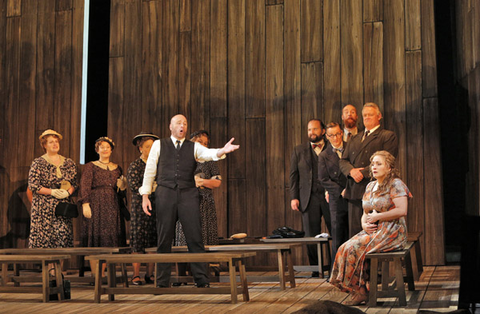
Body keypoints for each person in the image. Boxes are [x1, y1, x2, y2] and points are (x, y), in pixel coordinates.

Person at [140, 114, 239, 288]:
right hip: (165, 193)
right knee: (164, 238)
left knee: (195, 237)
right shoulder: (159, 145)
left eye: (185, 123)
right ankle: (162, 282)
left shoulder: (193, 147)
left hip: (188, 194)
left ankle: (201, 280)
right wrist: (145, 195)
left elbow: (208, 154)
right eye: (178, 123)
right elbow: (150, 170)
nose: (182, 126)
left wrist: (222, 150)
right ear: (170, 126)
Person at [330, 150, 412, 305]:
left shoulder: (396, 184)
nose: (374, 167)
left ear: (389, 168)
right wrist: (364, 223)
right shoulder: (370, 186)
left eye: (379, 164)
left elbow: (402, 210)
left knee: (353, 248)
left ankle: (361, 291)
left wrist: (378, 217)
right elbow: (365, 211)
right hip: (373, 229)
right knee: (343, 248)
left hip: (392, 231)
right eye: (373, 164)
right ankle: (360, 289)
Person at [339, 103, 398, 237]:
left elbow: (387, 159)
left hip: (375, 192)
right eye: (365, 115)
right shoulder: (355, 138)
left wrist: (362, 172)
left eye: (370, 114)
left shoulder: (387, 136)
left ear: (379, 116)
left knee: (374, 233)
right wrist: (351, 172)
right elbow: (343, 160)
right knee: (355, 233)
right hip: (354, 191)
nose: (367, 117)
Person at [28, 129, 77, 274]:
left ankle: (60, 270)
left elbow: (75, 182)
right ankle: (50, 271)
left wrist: (68, 192)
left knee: (62, 235)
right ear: (45, 145)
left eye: (56, 141)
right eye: (51, 142)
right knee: (47, 239)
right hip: (44, 207)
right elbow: (34, 185)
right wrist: (52, 191)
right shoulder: (38, 163)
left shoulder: (68, 162)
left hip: (62, 207)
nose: (54, 144)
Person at [289, 119, 331, 277]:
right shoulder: (299, 150)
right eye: (308, 130)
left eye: (314, 129)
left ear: (323, 131)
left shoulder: (331, 147)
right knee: (310, 235)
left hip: (329, 196)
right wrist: (294, 197)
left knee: (335, 230)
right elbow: (293, 176)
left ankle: (336, 267)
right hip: (308, 197)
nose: (311, 132)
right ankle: (315, 269)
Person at [79, 136, 127, 276]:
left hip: (112, 205)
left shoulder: (117, 168)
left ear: (111, 149)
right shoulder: (91, 166)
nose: (105, 149)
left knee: (110, 239)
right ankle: (96, 275)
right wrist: (85, 203)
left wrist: (122, 187)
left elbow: (121, 190)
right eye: (102, 147)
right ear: (97, 150)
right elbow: (85, 185)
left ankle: (106, 273)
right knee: (97, 238)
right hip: (96, 204)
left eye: (107, 147)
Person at [127, 132, 159, 286]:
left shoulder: (160, 164)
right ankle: (135, 275)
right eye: (147, 146)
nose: (151, 149)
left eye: (153, 146)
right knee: (138, 240)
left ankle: (150, 274)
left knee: (154, 240)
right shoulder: (135, 165)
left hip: (157, 205)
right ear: (140, 149)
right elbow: (134, 186)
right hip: (139, 206)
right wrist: (151, 187)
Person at [318, 122, 348, 263]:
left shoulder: (351, 148)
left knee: (354, 233)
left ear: (341, 133)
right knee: (337, 234)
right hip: (337, 199)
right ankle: (336, 272)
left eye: (337, 134)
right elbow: (323, 179)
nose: (335, 138)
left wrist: (350, 189)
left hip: (353, 195)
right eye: (331, 135)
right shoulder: (324, 155)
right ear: (327, 136)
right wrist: (340, 190)